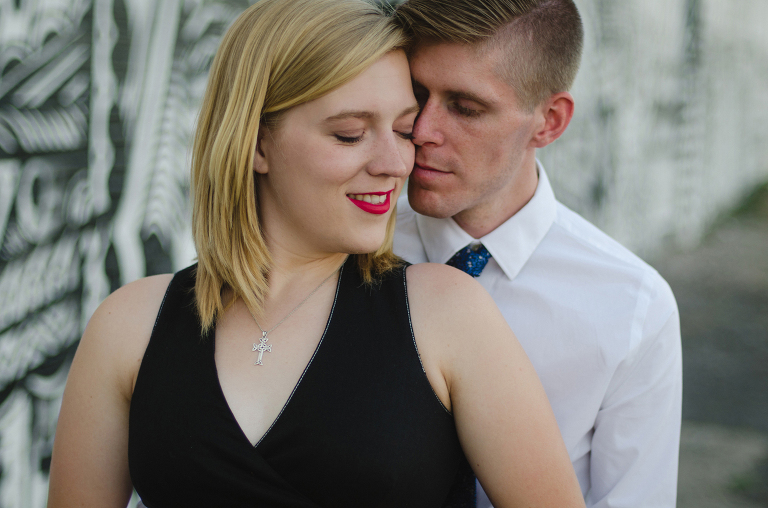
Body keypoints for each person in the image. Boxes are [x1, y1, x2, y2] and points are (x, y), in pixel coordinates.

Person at [47, 0, 586, 507]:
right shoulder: (128, 326)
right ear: (257, 144)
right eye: (350, 135)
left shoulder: (448, 313)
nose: (395, 163)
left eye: (402, 130)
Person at [391, 1, 683, 507]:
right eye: (417, 95)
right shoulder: (351, 254)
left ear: (549, 121)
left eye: (465, 107)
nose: (422, 131)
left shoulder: (633, 307)